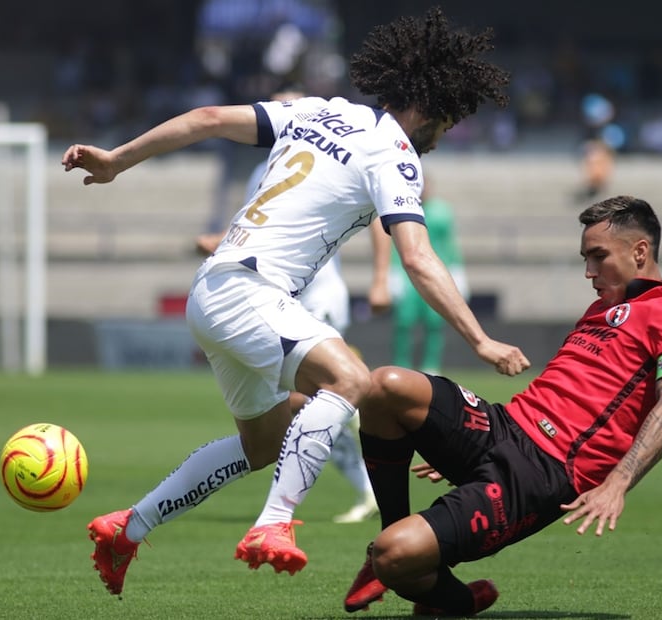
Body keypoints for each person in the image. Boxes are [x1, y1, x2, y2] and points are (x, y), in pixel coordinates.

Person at [62, 6, 528, 597]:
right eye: (447, 126)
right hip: (250, 293)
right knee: (351, 379)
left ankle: (128, 528)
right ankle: (274, 523)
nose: (439, 141)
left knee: (261, 444)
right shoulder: (396, 154)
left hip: (213, 289)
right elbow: (417, 257)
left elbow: (208, 118)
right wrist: (480, 339)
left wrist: (116, 161)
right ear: (433, 110)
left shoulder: (320, 110)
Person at [344, 196, 662, 616]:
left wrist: (617, 483)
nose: (589, 272)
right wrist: (448, 443)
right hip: (501, 427)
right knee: (382, 386)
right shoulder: (601, 308)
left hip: (541, 472)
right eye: (585, 259)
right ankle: (387, 554)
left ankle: (454, 598)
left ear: (640, 251)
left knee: (394, 554)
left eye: (598, 257)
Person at [196, 93, 381, 524]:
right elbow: (259, 225)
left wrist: (379, 277)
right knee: (310, 402)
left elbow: (378, 216)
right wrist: (220, 243)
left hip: (317, 294)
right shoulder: (265, 168)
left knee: (317, 395)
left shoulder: (338, 156)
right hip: (272, 296)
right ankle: (366, 485)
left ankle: (360, 452)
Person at [389, 179, 465, 374]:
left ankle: (431, 366)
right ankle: (402, 364)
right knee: (404, 322)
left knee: (434, 322)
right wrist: (392, 271)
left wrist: (457, 269)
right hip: (407, 275)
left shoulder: (442, 211)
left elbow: (449, 243)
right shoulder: (402, 207)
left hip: (436, 273)